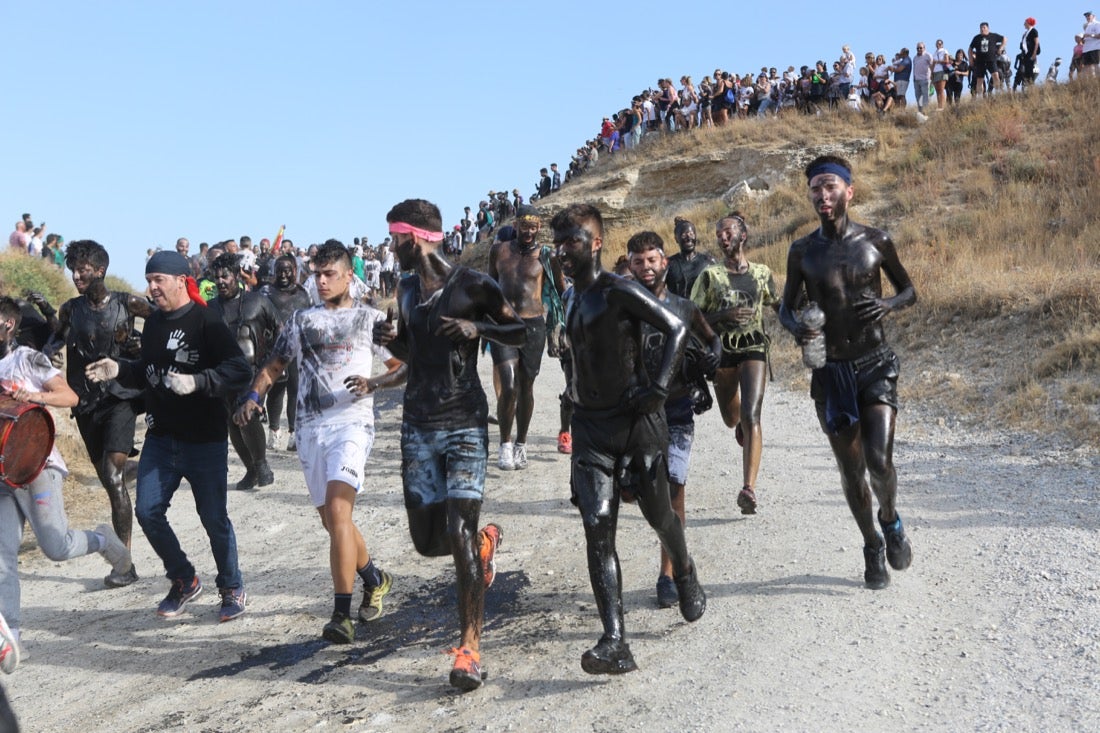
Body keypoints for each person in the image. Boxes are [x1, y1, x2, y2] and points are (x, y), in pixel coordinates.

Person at [374, 198, 525, 691]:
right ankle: (483, 546)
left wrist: (477, 327)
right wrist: (389, 340)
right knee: (427, 543)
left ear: (415, 238)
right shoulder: (405, 289)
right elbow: (412, 351)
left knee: (458, 530)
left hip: (464, 422)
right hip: (417, 424)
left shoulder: (473, 285)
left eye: (394, 238)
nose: (390, 247)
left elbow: (519, 331)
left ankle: (469, 650)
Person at [551, 203, 705, 676]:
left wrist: (658, 388)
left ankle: (684, 570)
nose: (563, 251)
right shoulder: (571, 298)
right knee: (597, 524)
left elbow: (676, 327)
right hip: (591, 429)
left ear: (596, 243)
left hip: (638, 425)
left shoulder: (619, 290)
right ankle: (616, 641)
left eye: (572, 242)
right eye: (558, 244)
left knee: (660, 515)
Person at [236, 241, 406, 643]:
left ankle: (341, 615)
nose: (322, 281)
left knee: (338, 510)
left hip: (352, 424)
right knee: (332, 522)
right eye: (317, 274)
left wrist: (373, 383)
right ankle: (374, 579)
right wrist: (253, 397)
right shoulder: (301, 321)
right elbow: (273, 366)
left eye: (330, 274)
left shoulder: (369, 319)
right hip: (310, 429)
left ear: (349, 276)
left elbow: (402, 369)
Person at [85, 251, 252, 620]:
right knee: (147, 511)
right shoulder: (155, 324)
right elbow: (149, 371)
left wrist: (199, 381)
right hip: (161, 439)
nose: (152, 287)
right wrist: (119, 369)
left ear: (181, 281)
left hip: (204, 440)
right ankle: (184, 579)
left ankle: (232, 586)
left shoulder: (207, 321)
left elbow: (240, 370)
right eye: (149, 280)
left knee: (213, 518)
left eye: (158, 279)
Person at [778, 155, 916, 590]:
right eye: (816, 188)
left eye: (830, 186)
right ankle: (871, 544)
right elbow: (784, 307)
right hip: (830, 372)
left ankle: (890, 519)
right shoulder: (802, 251)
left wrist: (888, 304)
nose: (822, 194)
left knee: (879, 461)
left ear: (849, 192)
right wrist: (797, 328)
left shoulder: (876, 241)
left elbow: (909, 290)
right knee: (852, 470)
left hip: (875, 364)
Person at [1, 297, 134, 648]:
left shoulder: (27, 359)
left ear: (8, 324)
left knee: (56, 547)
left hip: (37, 465)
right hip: (2, 476)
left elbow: (69, 396)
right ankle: (11, 636)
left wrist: (32, 396)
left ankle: (103, 539)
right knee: (2, 557)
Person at [626, 232, 720, 609]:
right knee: (633, 492)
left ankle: (670, 573)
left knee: (673, 490)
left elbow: (712, 340)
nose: (646, 268)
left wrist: (712, 359)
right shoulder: (623, 309)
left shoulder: (684, 308)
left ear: (664, 262)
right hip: (635, 414)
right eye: (638, 262)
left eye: (652, 260)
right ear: (629, 265)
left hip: (677, 411)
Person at [47, 240, 150, 586]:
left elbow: (166, 324)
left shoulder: (128, 303)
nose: (76, 276)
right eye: (73, 270)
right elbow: (55, 340)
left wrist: (143, 344)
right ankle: (142, 468)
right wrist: (46, 355)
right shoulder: (70, 310)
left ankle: (125, 565)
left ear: (100, 270)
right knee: (109, 479)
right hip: (85, 404)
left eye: (83, 270)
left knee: (112, 476)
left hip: (120, 397)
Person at [690, 213, 778, 516]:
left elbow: (778, 304)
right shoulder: (710, 276)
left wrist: (804, 315)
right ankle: (739, 424)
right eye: (718, 234)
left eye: (727, 232)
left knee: (753, 414)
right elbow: (692, 316)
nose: (722, 238)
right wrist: (723, 316)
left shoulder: (762, 273)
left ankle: (748, 488)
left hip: (754, 348)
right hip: (722, 351)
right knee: (731, 418)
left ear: (743, 234)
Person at [487, 205, 565, 471]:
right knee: (508, 386)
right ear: (516, 225)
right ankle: (505, 445)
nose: (528, 232)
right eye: (524, 226)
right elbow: (489, 286)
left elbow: (562, 290)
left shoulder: (546, 255)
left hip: (533, 326)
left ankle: (521, 443)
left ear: (539, 228)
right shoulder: (499, 251)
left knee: (525, 386)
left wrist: (567, 324)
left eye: (533, 227)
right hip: (503, 325)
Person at [208, 252, 279, 491]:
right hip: (224, 374)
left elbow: (280, 330)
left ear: (237, 275)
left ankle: (261, 464)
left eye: (225, 276)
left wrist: (272, 363)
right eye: (216, 277)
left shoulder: (257, 301)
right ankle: (251, 469)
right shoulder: (210, 308)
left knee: (247, 414)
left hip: (254, 372)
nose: (220, 281)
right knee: (232, 422)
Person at [259, 254, 312, 451]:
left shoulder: (303, 294)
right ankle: (274, 432)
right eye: (279, 270)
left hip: (298, 349)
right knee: (275, 391)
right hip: (274, 349)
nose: (283, 275)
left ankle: (294, 433)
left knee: (296, 390)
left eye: (287, 271)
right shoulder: (266, 292)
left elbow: (310, 319)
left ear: (294, 272)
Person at [665, 217, 716, 299]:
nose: (689, 238)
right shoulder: (668, 264)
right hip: (676, 307)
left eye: (691, 234)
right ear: (676, 239)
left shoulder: (708, 262)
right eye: (684, 235)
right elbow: (657, 291)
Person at [970, 22, 1006, 95]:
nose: (982, 29)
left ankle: (998, 93)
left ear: (988, 28)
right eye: (981, 28)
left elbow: (1005, 39)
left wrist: (1001, 48)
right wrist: (970, 59)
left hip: (991, 60)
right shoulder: (976, 38)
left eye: (984, 27)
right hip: (980, 61)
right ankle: (980, 97)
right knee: (979, 79)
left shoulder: (993, 36)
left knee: (995, 75)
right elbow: (970, 49)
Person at [1018, 18, 1040, 89]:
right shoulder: (1026, 33)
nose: (1024, 24)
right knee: (1025, 71)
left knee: (1031, 71)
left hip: (1031, 54)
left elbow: (1036, 43)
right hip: (1026, 55)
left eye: (1025, 22)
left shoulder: (1034, 31)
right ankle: (1026, 87)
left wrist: (1034, 54)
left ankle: (1032, 87)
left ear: (1028, 23)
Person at [1083, 12, 1100, 78]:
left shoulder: (1097, 24)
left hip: (1095, 48)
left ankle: (1098, 80)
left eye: (1089, 16)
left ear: (1093, 16)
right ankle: (1091, 81)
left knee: (1096, 65)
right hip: (1086, 49)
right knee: (1087, 67)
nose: (1087, 17)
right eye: (1086, 16)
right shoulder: (1088, 25)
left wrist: (1090, 35)